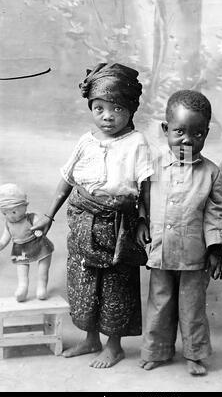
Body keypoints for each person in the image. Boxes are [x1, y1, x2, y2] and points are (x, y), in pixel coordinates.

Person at [31, 63, 154, 368]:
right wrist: (48, 215)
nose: (107, 116)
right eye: (99, 108)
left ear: (131, 109)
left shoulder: (136, 144)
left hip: (118, 229)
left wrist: (142, 221)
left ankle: (114, 346)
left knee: (115, 287)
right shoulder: (86, 141)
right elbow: (67, 179)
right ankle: (90, 340)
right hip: (83, 224)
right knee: (84, 282)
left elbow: (145, 187)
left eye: (116, 108)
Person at [137, 90, 222, 376]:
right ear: (165, 130)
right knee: (159, 303)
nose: (188, 139)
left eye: (197, 133)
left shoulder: (211, 173)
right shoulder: (151, 166)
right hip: (161, 248)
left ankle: (195, 354)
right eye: (179, 131)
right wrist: (141, 222)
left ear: (206, 133)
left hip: (194, 253)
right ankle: (156, 351)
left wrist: (215, 249)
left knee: (193, 307)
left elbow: (216, 212)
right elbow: (141, 199)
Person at [0, 183, 54, 302]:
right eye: (5, 213)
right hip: (20, 250)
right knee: (22, 269)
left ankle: (42, 287)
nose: (10, 216)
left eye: (13, 212)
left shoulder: (31, 217)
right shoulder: (8, 224)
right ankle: (22, 288)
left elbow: (39, 225)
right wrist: (1, 244)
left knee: (43, 269)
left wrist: (39, 231)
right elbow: (5, 239)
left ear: (25, 206)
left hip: (39, 245)